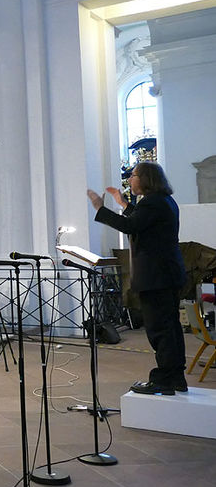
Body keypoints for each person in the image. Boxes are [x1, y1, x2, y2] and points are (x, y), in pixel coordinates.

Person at [88, 161, 187, 395]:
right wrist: (124, 203)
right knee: (169, 328)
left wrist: (101, 209)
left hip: (157, 277)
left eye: (133, 175)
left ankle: (164, 379)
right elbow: (142, 223)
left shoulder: (153, 203)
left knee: (159, 329)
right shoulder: (162, 201)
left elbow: (131, 226)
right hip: (165, 275)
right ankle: (175, 378)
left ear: (146, 178)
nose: (130, 179)